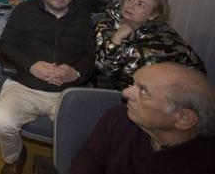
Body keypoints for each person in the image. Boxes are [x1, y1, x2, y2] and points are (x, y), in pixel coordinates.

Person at [0, 0, 93, 174]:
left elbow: (89, 56)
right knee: (0, 121)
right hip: (26, 84)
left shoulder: (82, 17)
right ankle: (15, 156)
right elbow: (6, 46)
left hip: (66, 91)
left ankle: (57, 164)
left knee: (83, 133)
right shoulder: (24, 11)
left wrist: (77, 72)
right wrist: (31, 65)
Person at [71, 63, 215, 174]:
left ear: (183, 119)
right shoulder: (119, 117)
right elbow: (88, 160)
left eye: (143, 91)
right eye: (134, 84)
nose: (126, 93)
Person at [95, 0, 205, 89]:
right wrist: (116, 38)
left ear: (153, 15)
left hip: (166, 94)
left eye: (140, 4)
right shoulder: (107, 25)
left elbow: (197, 71)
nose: (130, 5)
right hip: (125, 93)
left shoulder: (166, 36)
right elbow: (105, 69)